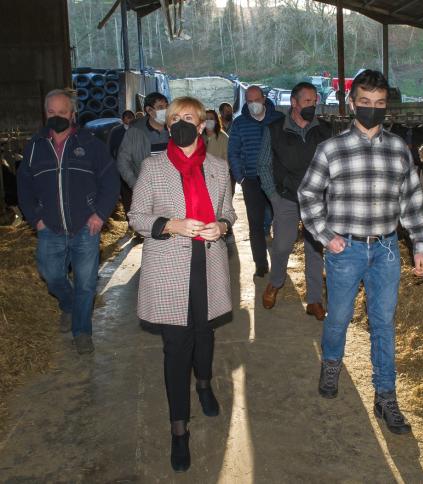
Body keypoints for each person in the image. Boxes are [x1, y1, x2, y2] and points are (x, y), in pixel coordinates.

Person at [298, 70, 423, 434]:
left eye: (380, 104)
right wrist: (326, 235)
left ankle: (385, 396)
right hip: (346, 249)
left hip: (387, 249)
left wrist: (419, 243)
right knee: (338, 316)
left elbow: (412, 201)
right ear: (352, 103)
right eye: (365, 103)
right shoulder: (332, 149)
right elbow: (308, 195)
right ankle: (331, 363)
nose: (372, 109)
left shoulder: (398, 150)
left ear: (387, 107)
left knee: (384, 324)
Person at [128, 96, 236, 472]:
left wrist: (220, 226)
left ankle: (204, 383)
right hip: (169, 268)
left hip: (208, 263)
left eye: (189, 117)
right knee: (176, 348)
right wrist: (171, 224)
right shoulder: (154, 166)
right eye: (174, 118)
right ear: (167, 125)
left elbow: (228, 212)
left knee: (204, 335)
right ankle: (179, 429)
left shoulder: (219, 169)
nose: (181, 123)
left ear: (204, 123)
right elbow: (136, 215)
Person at [17, 89, 120, 354]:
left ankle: (82, 331)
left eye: (62, 112)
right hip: (48, 227)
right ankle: (69, 304)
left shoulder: (91, 144)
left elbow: (110, 181)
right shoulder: (34, 147)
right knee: (51, 275)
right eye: (51, 112)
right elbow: (24, 186)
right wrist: (35, 218)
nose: (56, 117)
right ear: (45, 113)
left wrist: (99, 214)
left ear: (72, 114)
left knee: (86, 283)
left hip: (86, 227)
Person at [257, 82, 330, 320]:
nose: (312, 105)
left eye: (315, 101)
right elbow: (264, 165)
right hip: (286, 197)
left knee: (315, 249)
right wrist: (274, 198)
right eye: (307, 101)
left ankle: (315, 300)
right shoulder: (275, 129)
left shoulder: (325, 130)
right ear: (294, 103)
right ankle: (275, 283)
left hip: (317, 199)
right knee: (282, 245)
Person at [228, 85, 283, 277]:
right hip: (251, 179)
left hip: (276, 180)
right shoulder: (240, 123)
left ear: (264, 99)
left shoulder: (278, 120)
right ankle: (260, 263)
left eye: (256, 100)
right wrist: (241, 177)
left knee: (281, 221)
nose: (253, 105)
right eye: (249, 102)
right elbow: (233, 152)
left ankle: (279, 260)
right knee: (256, 224)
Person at [117, 92, 169, 196]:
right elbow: (122, 161)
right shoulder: (135, 132)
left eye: (167, 106)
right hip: (147, 192)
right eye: (160, 107)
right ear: (149, 110)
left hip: (171, 190)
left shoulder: (174, 130)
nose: (166, 110)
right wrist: (136, 185)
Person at [107, 110, 136, 214]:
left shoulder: (138, 130)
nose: (130, 119)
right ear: (123, 119)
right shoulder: (116, 131)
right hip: (122, 165)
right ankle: (129, 216)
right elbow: (110, 148)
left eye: (131, 117)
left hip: (136, 165)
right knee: (126, 192)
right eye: (127, 117)